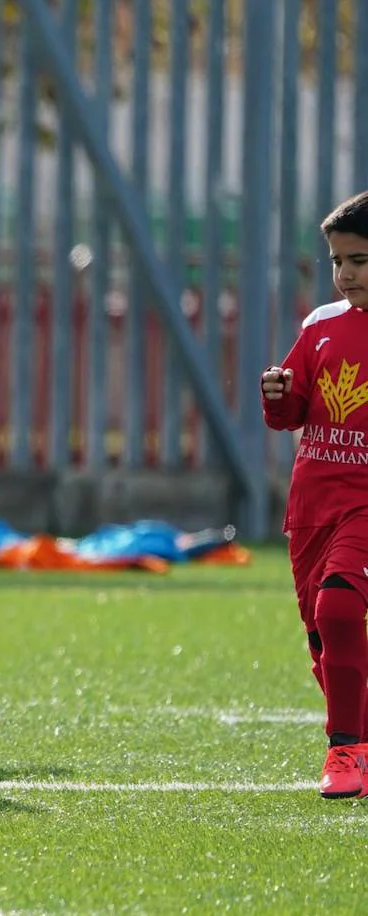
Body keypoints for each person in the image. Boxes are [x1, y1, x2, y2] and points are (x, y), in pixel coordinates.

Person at [262, 189, 368, 799]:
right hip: (311, 507)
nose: (345, 273)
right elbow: (292, 413)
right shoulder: (320, 326)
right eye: (337, 261)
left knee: (340, 608)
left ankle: (343, 752)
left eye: (359, 259)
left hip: (364, 506)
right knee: (323, 640)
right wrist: (278, 395)